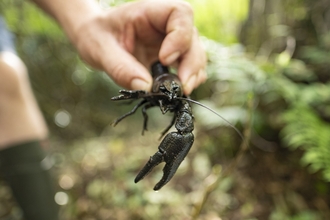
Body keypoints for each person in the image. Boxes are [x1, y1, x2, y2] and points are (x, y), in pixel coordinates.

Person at [0, 0, 206, 219]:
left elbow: (182, 120)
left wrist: (86, 20)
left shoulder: (177, 97)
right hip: (154, 85)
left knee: (8, 80)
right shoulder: (151, 90)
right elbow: (140, 104)